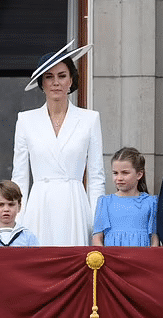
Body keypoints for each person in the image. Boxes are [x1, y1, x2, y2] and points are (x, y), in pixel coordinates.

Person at [12, 40, 105, 246]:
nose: (56, 82)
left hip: (75, 204)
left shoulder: (90, 119)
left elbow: (97, 177)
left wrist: (96, 225)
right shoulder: (26, 120)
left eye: (62, 76)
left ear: (71, 80)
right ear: (41, 83)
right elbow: (19, 176)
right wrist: (18, 221)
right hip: (39, 204)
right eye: (49, 77)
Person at [91, 147, 158, 247]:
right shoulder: (105, 202)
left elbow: (154, 238)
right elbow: (97, 238)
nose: (119, 178)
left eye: (125, 173)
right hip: (112, 260)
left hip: (141, 259)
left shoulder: (151, 202)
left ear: (139, 174)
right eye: (115, 173)